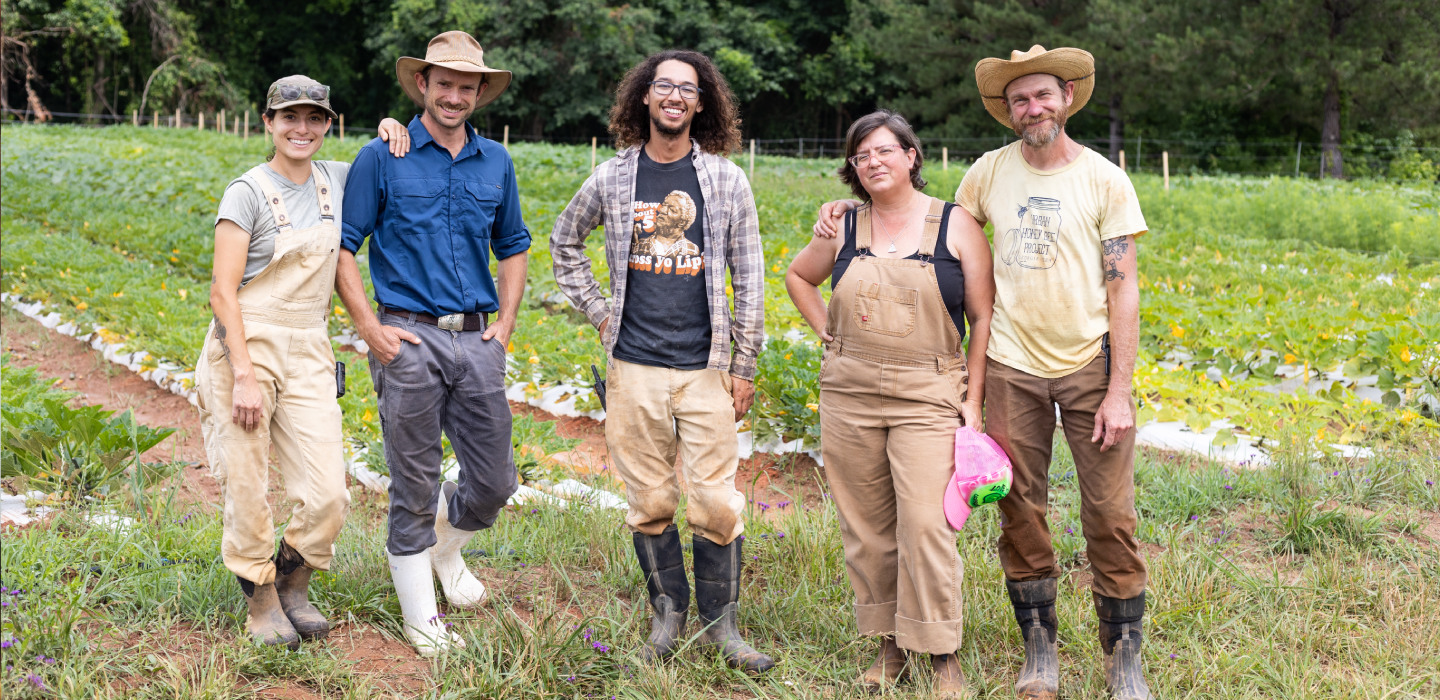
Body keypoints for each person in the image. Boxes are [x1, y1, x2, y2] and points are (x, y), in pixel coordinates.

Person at [813, 46, 1152, 700]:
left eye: (1042, 96)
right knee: (1019, 510)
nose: (1033, 108)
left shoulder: (1105, 180)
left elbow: (1125, 290)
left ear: (1066, 99)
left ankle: (1124, 656)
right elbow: (918, 218)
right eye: (1020, 100)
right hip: (1009, 371)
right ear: (1009, 111)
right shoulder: (987, 176)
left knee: (1109, 513)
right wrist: (844, 206)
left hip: (1089, 363)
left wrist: (1120, 391)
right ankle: (1040, 650)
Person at [549, 49, 772, 673]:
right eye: (663, 86)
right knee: (649, 498)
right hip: (634, 366)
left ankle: (722, 626)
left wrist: (745, 363)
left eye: (688, 89)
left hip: (707, 366)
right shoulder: (612, 177)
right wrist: (599, 313)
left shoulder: (727, 181)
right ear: (643, 98)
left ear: (702, 105)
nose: (675, 96)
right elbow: (565, 242)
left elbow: (749, 275)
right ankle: (667, 614)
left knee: (717, 502)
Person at [336, 30, 530, 657]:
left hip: (476, 339)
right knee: (412, 478)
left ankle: (443, 552)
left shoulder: (496, 161)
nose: (453, 95)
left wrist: (505, 323)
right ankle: (421, 617)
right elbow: (345, 247)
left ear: (480, 93)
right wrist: (370, 329)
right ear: (422, 85)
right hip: (407, 337)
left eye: (465, 86)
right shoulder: (382, 155)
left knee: (497, 478)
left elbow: (515, 246)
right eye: (442, 83)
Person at [786, 110, 994, 696]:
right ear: (853, 168)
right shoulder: (844, 226)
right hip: (849, 394)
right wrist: (829, 333)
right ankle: (888, 645)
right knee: (868, 527)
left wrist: (971, 402)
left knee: (927, 524)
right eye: (861, 155)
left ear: (911, 156)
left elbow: (981, 319)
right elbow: (799, 278)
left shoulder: (956, 225)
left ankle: (940, 652)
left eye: (884, 151)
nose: (873, 162)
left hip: (928, 392)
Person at [197, 76, 408, 648]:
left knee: (328, 492)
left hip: (310, 344)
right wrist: (242, 372)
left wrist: (391, 126)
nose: (302, 129)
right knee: (246, 483)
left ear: (328, 125)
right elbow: (222, 292)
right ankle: (261, 598)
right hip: (245, 347)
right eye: (290, 118)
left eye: (315, 119)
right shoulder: (246, 191)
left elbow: (382, 153)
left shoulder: (335, 180)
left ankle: (294, 580)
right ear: (268, 123)